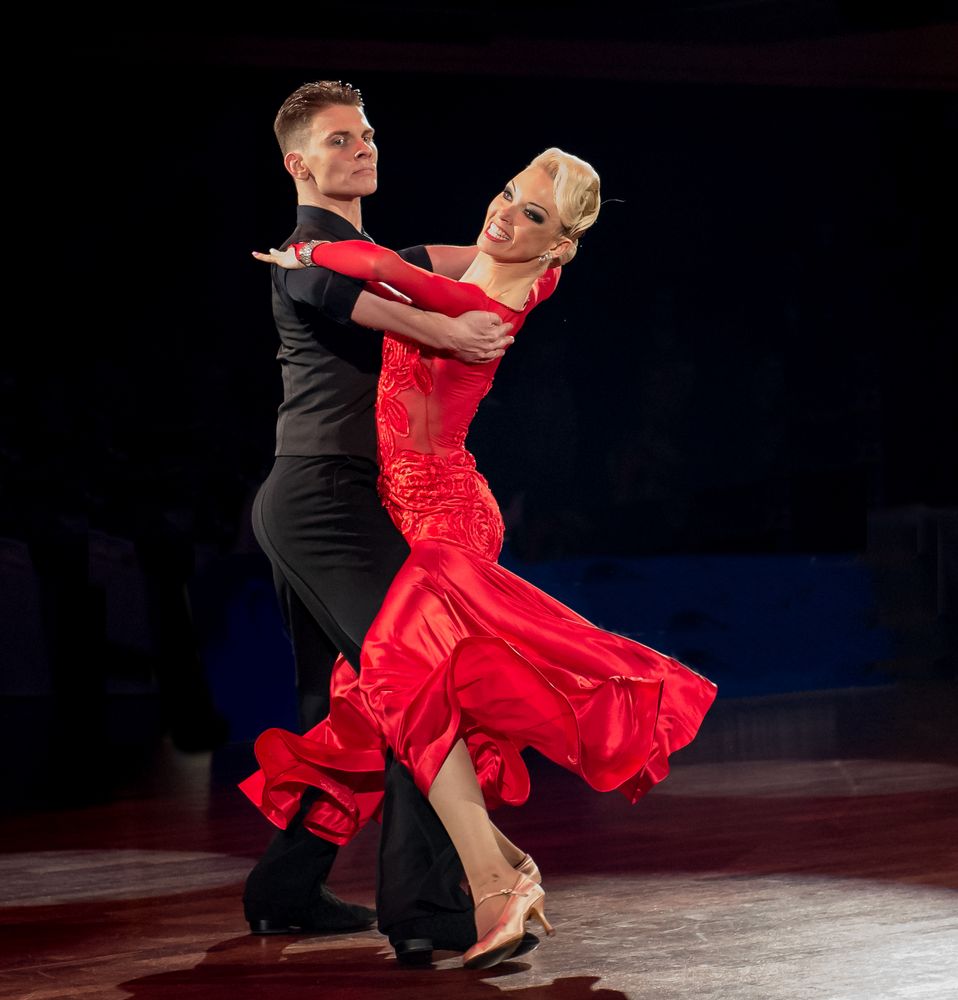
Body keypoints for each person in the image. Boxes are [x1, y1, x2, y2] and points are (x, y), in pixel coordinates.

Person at [243, 147, 719, 969]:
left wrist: (310, 250)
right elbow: (398, 266)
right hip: (408, 508)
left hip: (446, 523)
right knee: (376, 703)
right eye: (507, 192)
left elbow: (399, 277)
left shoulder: (489, 302)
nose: (505, 215)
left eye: (532, 215)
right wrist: (322, 259)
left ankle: (474, 887)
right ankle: (396, 881)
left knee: (402, 684)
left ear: (557, 245)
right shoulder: (494, 264)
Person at [242, 79, 527, 965]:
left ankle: (286, 889)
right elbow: (396, 313)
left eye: (365, 134)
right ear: (299, 162)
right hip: (322, 500)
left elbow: (481, 262)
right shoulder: (305, 255)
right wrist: (459, 335)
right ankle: (429, 909)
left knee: (352, 707)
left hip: (330, 500)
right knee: (422, 679)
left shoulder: (373, 250)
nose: (361, 148)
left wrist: (540, 236)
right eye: (338, 140)